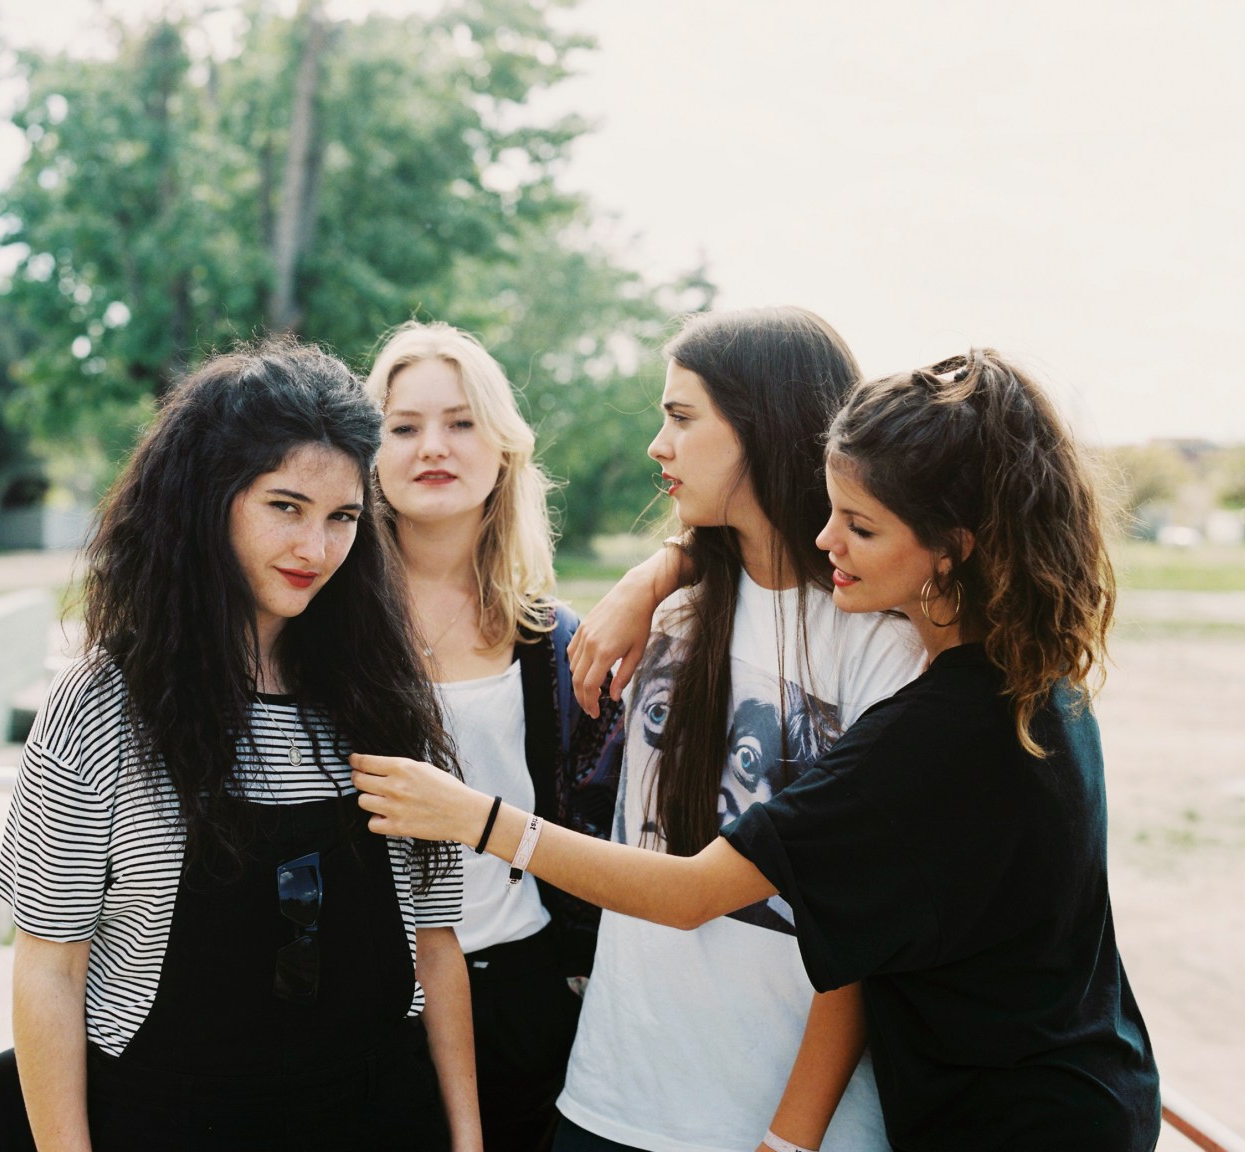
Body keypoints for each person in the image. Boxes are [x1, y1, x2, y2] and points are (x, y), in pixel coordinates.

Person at [351, 348, 1162, 1152]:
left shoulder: (940, 727)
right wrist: (666, 566)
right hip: (1047, 1093)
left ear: (954, 546)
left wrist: (476, 819)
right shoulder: (1033, 682)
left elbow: (696, 892)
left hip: (1016, 1123)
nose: (829, 537)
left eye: (862, 524)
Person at [393, 308, 924, 1152]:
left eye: (681, 417)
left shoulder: (881, 640)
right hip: (609, 1098)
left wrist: (793, 1137)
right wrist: (662, 570)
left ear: (764, 424)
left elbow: (867, 929)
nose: (657, 444)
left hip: (779, 1118)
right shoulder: (676, 612)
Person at [0, 337, 480, 1151]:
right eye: (284, 507)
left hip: (370, 1119)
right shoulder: (101, 708)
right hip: (160, 1122)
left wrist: (466, 1142)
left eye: (342, 519)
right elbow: (50, 971)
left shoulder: (386, 701)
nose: (316, 550)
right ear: (206, 500)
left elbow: (435, 950)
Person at [364, 320, 624, 1152]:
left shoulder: (554, 641)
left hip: (519, 987)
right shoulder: (323, 628)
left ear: (502, 446)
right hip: (367, 993)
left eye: (461, 421)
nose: (432, 446)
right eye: (403, 426)